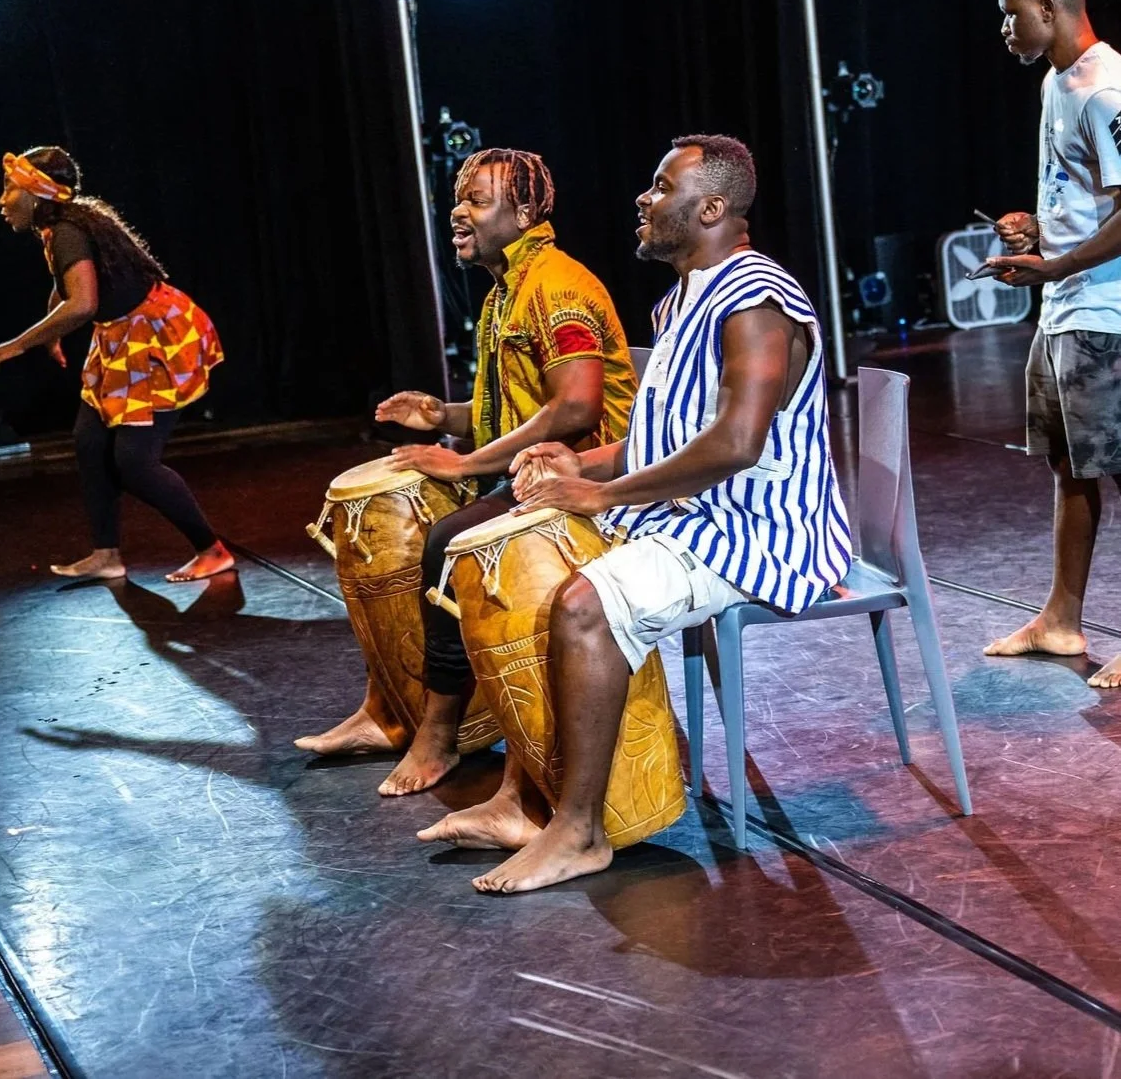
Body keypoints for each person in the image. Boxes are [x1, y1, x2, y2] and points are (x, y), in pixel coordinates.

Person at [418, 134, 853, 893]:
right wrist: (575, 467)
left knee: (583, 605)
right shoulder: (682, 298)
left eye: (661, 186)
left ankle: (580, 831)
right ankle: (525, 799)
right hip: (692, 514)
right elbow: (660, 439)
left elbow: (737, 443)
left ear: (711, 209)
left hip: (759, 528)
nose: (643, 198)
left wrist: (601, 495)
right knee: (530, 576)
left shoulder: (756, 300)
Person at [294, 148, 638, 792]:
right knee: (394, 531)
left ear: (525, 212)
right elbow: (522, 408)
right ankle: (388, 708)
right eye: (459, 198)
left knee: (446, 541)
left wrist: (466, 463)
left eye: (477, 200)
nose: (458, 211)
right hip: (532, 470)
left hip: (590, 480)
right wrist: (444, 416)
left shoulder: (556, 287)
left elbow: (577, 407)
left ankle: (439, 735)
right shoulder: (507, 290)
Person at [0, 148, 232, 583]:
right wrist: (51, 333)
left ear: (37, 193)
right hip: (120, 336)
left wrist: (16, 346)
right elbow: (67, 287)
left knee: (135, 463)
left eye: (10, 189)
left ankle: (212, 550)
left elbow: (83, 303)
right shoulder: (59, 228)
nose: (2, 201)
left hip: (153, 338)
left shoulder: (68, 231)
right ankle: (106, 554)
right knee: (90, 442)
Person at [982, 0, 1121, 688]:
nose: (1006, 28)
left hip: (1107, 316)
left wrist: (1057, 264)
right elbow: (1087, 198)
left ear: (1048, 7)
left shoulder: (1105, 89)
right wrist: (1036, 229)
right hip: (1065, 310)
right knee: (1069, 469)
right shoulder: (1054, 83)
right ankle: (1060, 618)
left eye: (1013, 14)